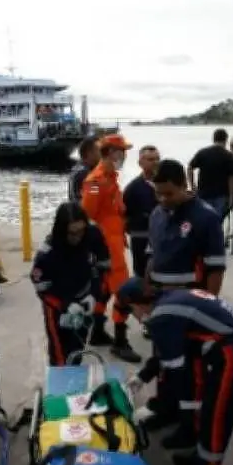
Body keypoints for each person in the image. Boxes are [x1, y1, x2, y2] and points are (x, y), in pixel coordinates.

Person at [117, 278, 233, 465]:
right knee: (209, 413)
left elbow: (178, 374)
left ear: (137, 304)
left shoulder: (161, 317)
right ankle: (201, 459)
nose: (135, 319)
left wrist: (187, 414)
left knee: (216, 418)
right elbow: (169, 353)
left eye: (131, 312)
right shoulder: (170, 299)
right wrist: (142, 377)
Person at [131, 158, 226, 438]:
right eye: (158, 193)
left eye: (169, 193)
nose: (163, 199)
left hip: (190, 306)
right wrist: (147, 291)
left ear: (184, 186)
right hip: (161, 304)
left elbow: (215, 267)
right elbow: (153, 255)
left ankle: (190, 425)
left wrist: (207, 308)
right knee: (163, 359)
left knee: (191, 368)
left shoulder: (205, 217)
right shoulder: (158, 214)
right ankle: (165, 407)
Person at [81, 134, 141, 362]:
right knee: (124, 291)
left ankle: (96, 331)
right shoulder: (95, 181)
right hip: (107, 247)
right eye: (121, 151)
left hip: (114, 242)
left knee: (105, 290)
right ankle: (120, 339)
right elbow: (87, 215)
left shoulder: (110, 178)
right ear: (110, 152)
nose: (124, 155)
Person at [30, 203, 109, 364]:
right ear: (61, 230)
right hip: (57, 305)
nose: (77, 237)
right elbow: (42, 288)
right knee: (60, 356)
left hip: (85, 298)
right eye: (72, 233)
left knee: (77, 350)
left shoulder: (93, 234)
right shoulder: (48, 254)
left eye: (81, 231)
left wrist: (94, 295)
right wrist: (65, 305)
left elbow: (102, 268)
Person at [123, 145, 161, 276]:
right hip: (141, 238)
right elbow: (124, 215)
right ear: (140, 163)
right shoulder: (132, 188)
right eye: (150, 159)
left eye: (157, 158)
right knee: (141, 274)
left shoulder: (168, 185)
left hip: (163, 238)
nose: (155, 162)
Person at [187, 128, 233, 219]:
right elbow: (232, 178)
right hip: (221, 195)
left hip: (203, 193)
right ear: (226, 139)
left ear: (213, 139)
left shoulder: (203, 152)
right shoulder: (228, 155)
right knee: (217, 221)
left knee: (203, 220)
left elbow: (190, 168)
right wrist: (231, 196)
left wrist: (192, 186)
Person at [68, 136, 99, 204]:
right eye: (99, 150)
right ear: (89, 153)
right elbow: (93, 201)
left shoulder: (78, 169)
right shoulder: (86, 174)